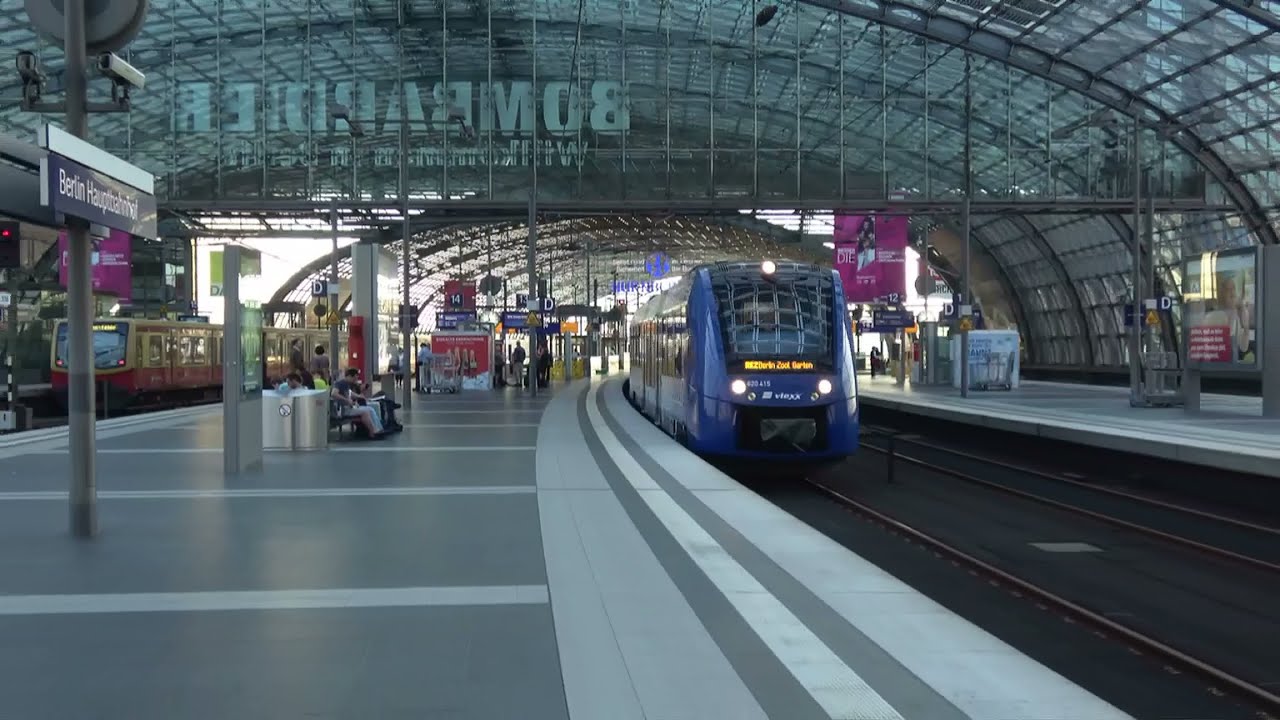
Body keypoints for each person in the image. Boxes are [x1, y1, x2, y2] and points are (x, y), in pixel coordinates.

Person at [331, 368, 387, 439]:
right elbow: (334, 394)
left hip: (348, 407)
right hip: (343, 410)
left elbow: (350, 393)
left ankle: (378, 429)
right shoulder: (340, 383)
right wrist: (347, 400)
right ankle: (373, 432)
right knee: (366, 411)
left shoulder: (346, 384)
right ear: (350, 376)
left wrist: (359, 397)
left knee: (370, 409)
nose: (355, 380)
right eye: (354, 378)